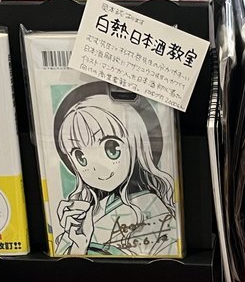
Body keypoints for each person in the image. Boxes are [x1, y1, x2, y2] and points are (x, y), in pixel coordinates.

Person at [52, 87, 177, 256]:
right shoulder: (85, 213)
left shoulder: (151, 205)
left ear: (135, 143)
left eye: (112, 149)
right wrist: (79, 244)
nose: (97, 167)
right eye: (80, 157)